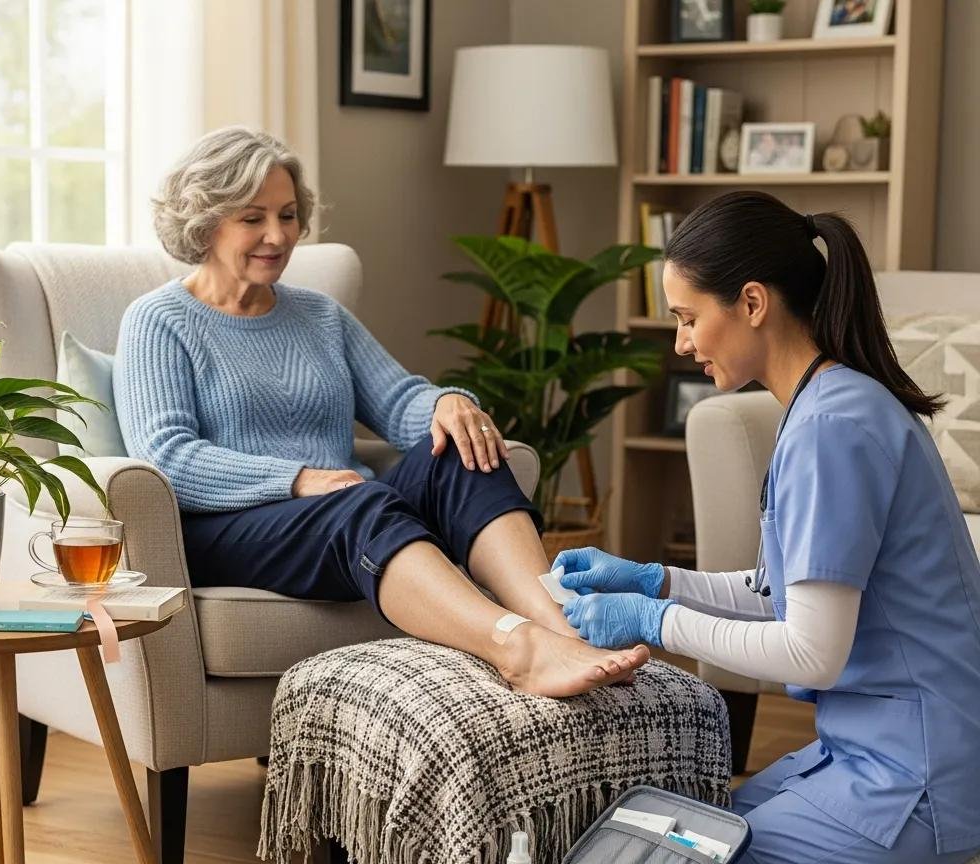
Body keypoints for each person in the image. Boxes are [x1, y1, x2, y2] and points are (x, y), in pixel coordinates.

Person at [554, 190, 980, 864]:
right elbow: (780, 591)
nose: (682, 343)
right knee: (663, 859)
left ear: (752, 303)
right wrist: (655, 581)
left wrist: (651, 623)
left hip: (916, 779)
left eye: (688, 317)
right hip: (868, 754)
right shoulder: (825, 404)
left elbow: (811, 652)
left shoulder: (834, 426)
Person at [113, 126, 647, 699]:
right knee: (361, 500)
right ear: (205, 220)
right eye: (253, 218)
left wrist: (447, 403)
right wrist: (297, 480)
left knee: (464, 450)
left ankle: (559, 626)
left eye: (289, 215)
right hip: (227, 528)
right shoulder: (158, 321)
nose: (278, 235)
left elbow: (398, 401)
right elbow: (166, 458)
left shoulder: (319, 315)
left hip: (340, 509)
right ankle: (516, 649)